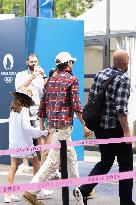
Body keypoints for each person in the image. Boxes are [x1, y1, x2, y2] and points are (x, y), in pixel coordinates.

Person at [22, 51, 90, 205]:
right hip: (64, 127)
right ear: (68, 64)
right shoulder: (72, 80)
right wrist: (84, 125)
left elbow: (43, 106)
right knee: (53, 161)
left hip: (53, 126)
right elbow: (77, 106)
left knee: (71, 156)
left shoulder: (50, 80)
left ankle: (80, 188)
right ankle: (31, 190)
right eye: (71, 62)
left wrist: (41, 126)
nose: (73, 64)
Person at [73, 50, 135, 205]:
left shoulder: (101, 74)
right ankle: (126, 202)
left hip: (100, 128)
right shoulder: (123, 79)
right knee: (126, 165)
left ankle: (84, 189)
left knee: (106, 161)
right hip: (116, 128)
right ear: (126, 62)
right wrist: (127, 132)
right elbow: (121, 109)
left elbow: (91, 98)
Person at [4, 86, 48, 203]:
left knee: (13, 167)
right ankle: (38, 190)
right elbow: (27, 128)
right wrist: (41, 132)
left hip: (14, 143)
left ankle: (7, 195)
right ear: (25, 98)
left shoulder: (12, 108)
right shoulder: (23, 110)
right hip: (25, 144)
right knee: (36, 164)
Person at [15, 53, 47, 173]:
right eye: (32, 62)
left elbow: (47, 90)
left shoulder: (40, 75)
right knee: (25, 135)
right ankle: (24, 164)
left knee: (40, 135)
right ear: (27, 63)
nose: (34, 64)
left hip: (37, 108)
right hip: (25, 108)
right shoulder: (21, 75)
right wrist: (31, 78)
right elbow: (19, 89)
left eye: (35, 62)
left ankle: (43, 163)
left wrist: (43, 76)